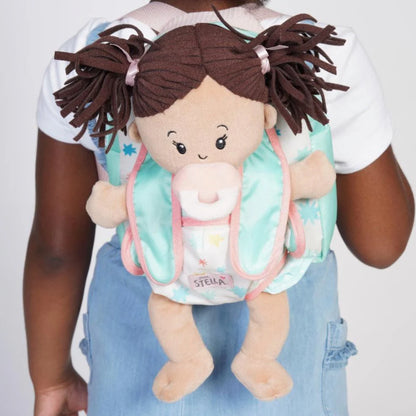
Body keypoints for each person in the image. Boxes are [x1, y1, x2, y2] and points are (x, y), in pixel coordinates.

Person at [24, 1, 414, 416]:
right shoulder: (318, 55)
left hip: (144, 345)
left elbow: (56, 251)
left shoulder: (93, 60)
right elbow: (381, 244)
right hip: (285, 353)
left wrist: (52, 380)